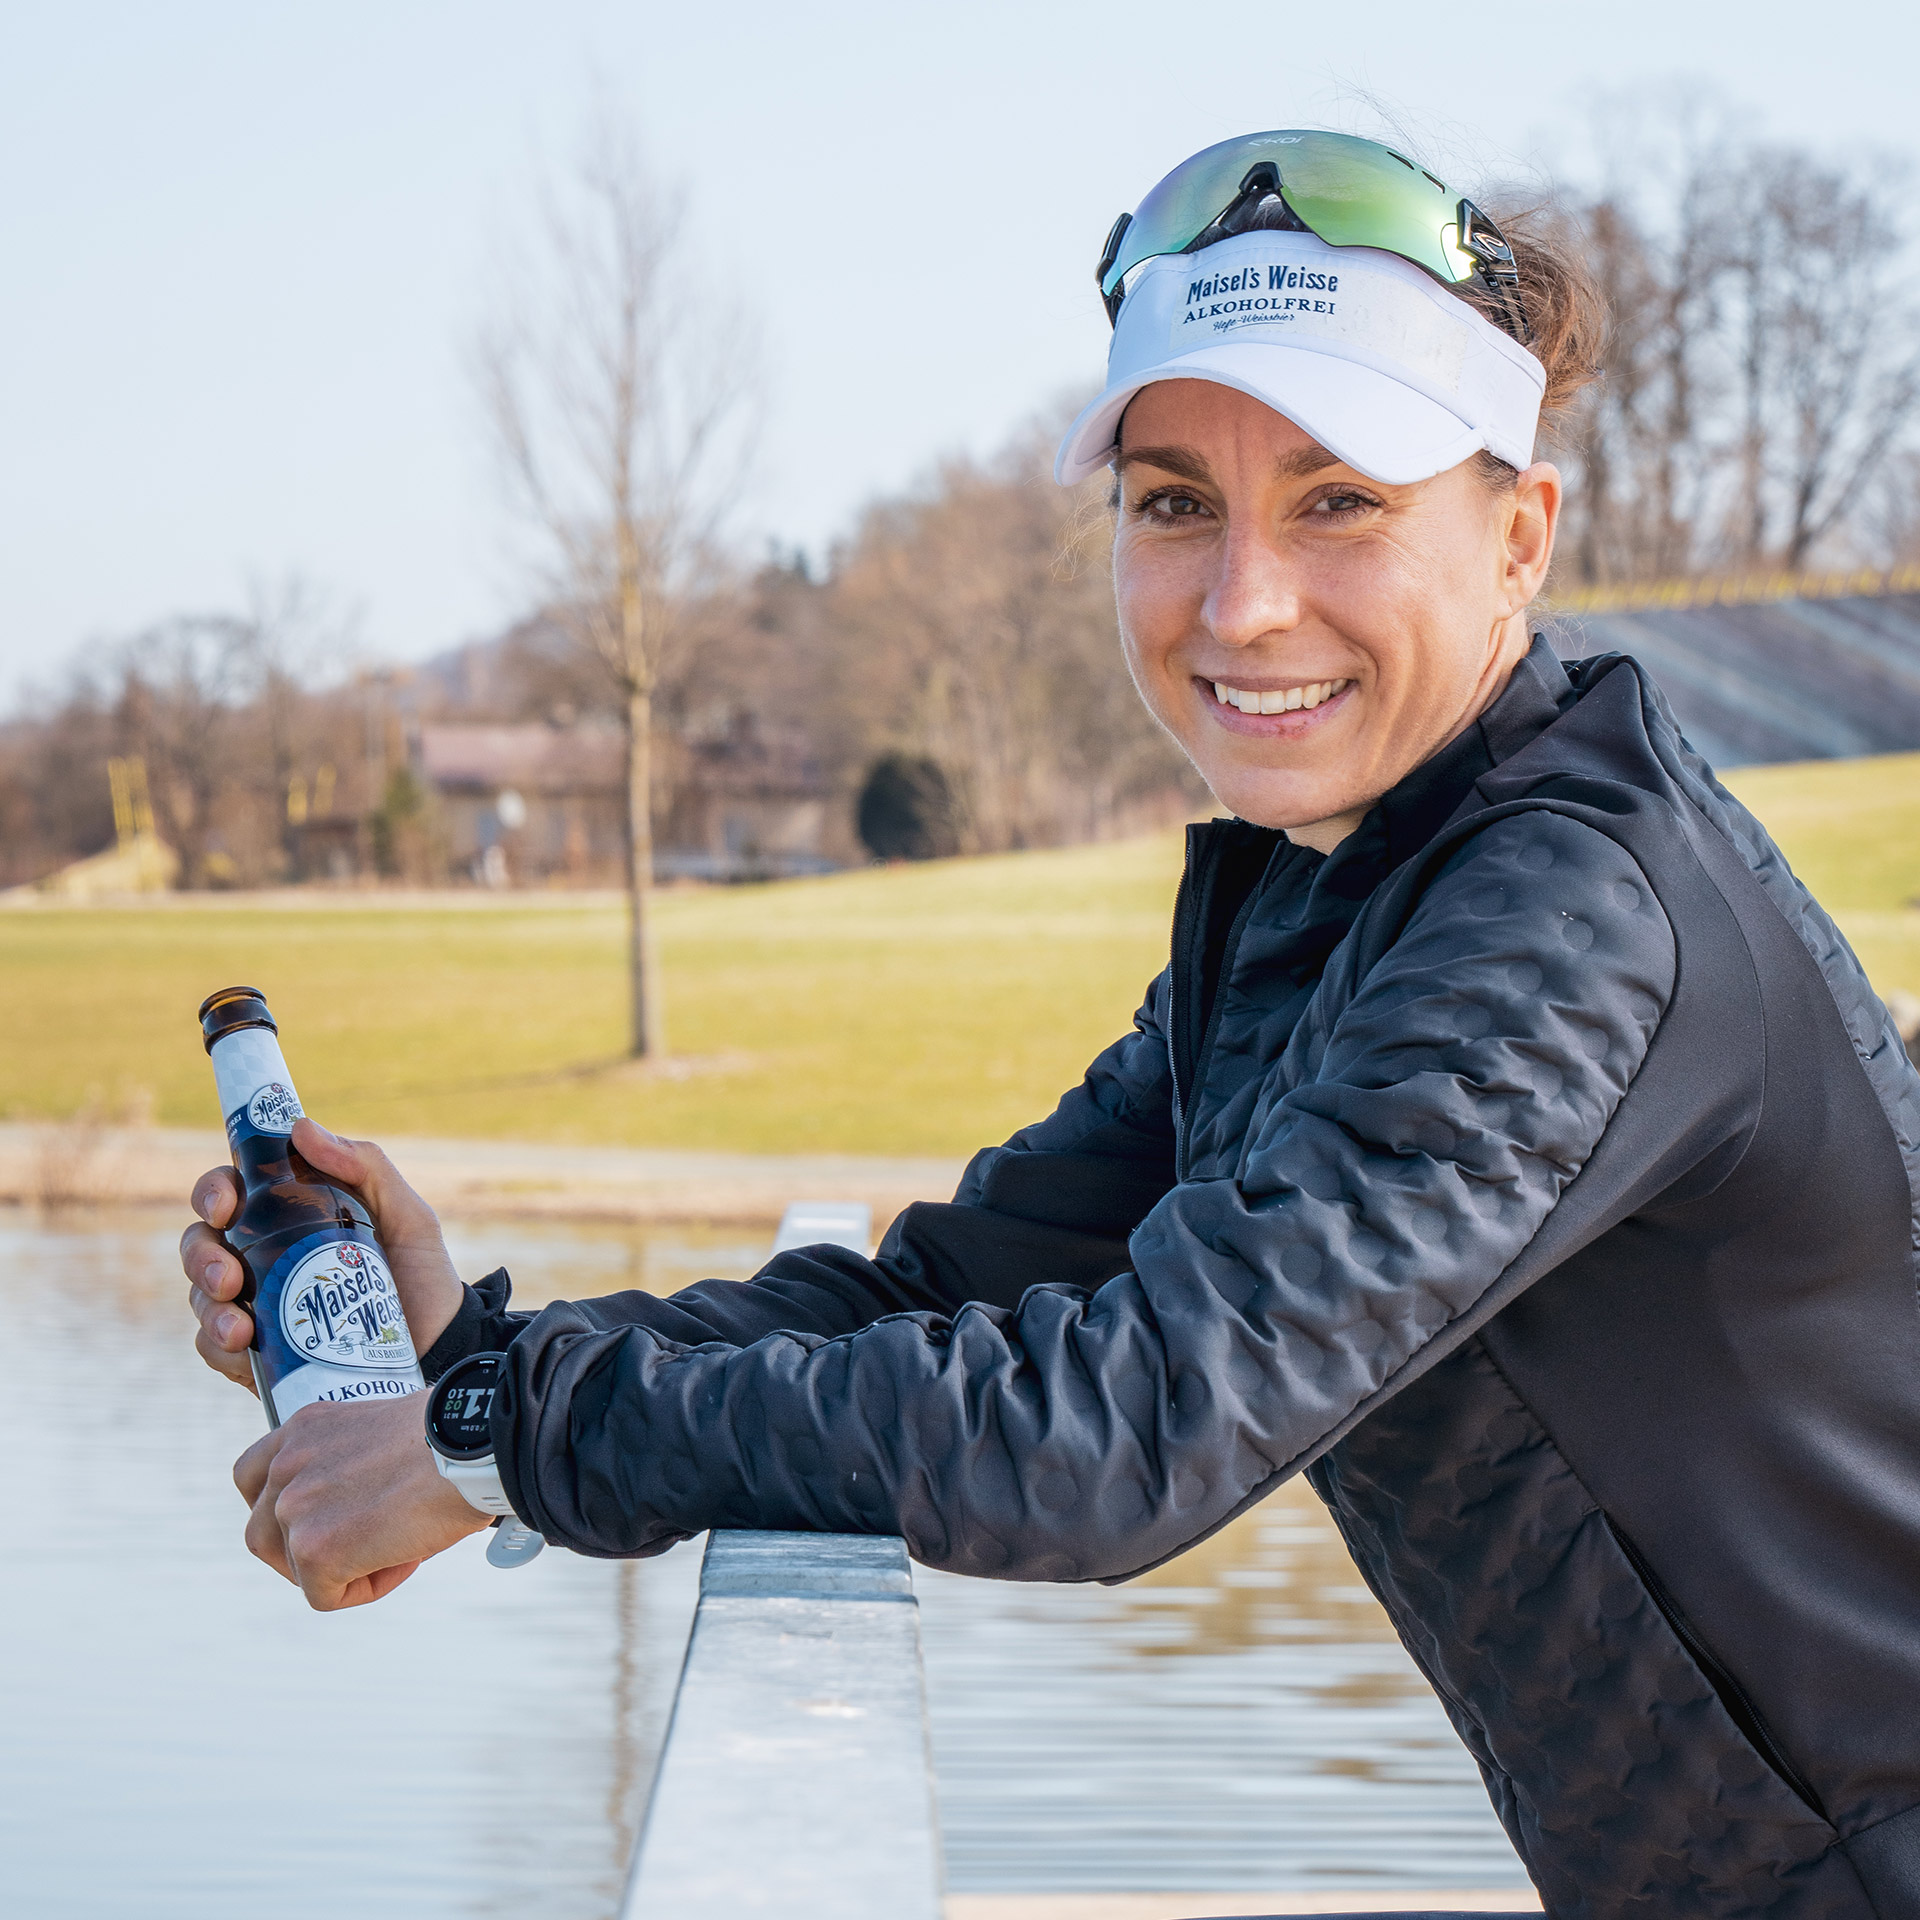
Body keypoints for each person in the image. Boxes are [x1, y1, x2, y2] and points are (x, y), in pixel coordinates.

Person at [182, 130, 1920, 1917]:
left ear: (1520, 540)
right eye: (1176, 503)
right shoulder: (1343, 884)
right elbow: (953, 1294)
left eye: (1342, 502)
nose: (1242, 602)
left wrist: (492, 1451)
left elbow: (1121, 1425)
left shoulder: (1567, 913)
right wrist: (477, 1357)